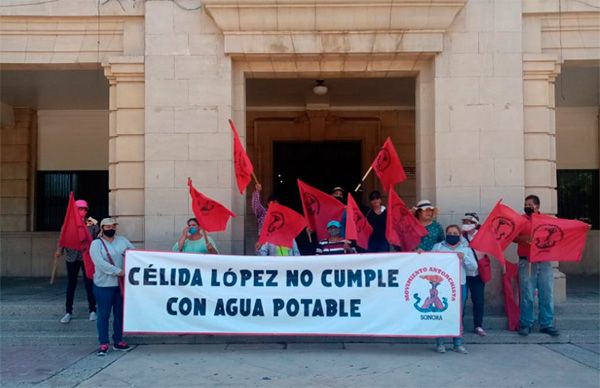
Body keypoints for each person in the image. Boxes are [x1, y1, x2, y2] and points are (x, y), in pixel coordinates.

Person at [514, 195, 560, 337]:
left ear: (537, 206)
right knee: (527, 294)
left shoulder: (547, 220)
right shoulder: (520, 220)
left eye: (530, 204)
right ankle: (526, 323)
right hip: (526, 261)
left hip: (544, 261)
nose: (527, 206)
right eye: (525, 204)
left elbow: (561, 232)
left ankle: (546, 324)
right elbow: (512, 237)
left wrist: (582, 227)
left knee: (547, 293)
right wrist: (524, 239)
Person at [89, 217, 134, 356]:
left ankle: (118, 341)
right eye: (108, 227)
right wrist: (117, 271)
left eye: (113, 226)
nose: (111, 229)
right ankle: (103, 343)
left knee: (119, 314)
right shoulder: (96, 244)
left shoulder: (123, 240)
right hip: (104, 285)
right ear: (102, 228)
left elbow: (134, 254)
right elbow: (99, 262)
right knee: (104, 314)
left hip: (120, 285)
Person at [432, 224, 478, 354]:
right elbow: (428, 262)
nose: (452, 235)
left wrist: (464, 258)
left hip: (459, 285)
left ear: (459, 235)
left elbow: (474, 268)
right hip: (441, 285)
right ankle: (440, 343)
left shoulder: (466, 249)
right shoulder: (438, 247)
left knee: (458, 314)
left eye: (455, 233)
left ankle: (457, 343)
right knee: (440, 313)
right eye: (450, 233)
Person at [54, 199, 99, 324]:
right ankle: (68, 311)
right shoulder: (68, 224)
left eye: (84, 209)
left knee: (89, 283)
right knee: (71, 284)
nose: (82, 211)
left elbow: (97, 237)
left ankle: (92, 310)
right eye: (80, 209)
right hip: (71, 256)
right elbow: (62, 239)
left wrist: (95, 227)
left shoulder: (92, 223)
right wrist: (59, 250)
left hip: (86, 256)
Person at [461, 212, 487, 336]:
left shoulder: (483, 236)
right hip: (464, 272)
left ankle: (478, 325)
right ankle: (459, 324)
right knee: (462, 299)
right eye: (464, 222)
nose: (466, 224)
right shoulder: (461, 237)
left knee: (478, 300)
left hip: (478, 272)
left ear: (476, 224)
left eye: (469, 222)